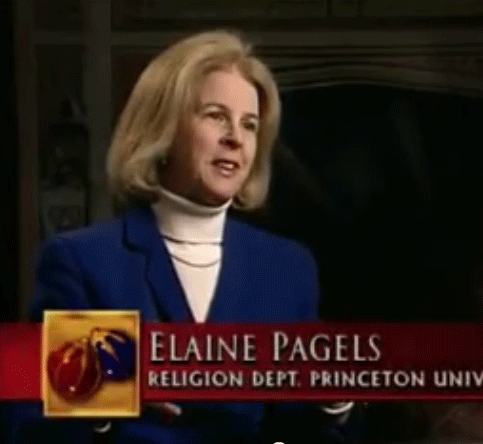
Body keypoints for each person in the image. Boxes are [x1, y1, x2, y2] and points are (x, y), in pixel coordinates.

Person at [8, 30, 361, 444]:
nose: (236, 138)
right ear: (164, 128)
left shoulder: (287, 268)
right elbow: (31, 427)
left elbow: (304, 429)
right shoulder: (84, 262)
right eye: (216, 116)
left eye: (249, 125)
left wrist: (333, 402)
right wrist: (108, 396)